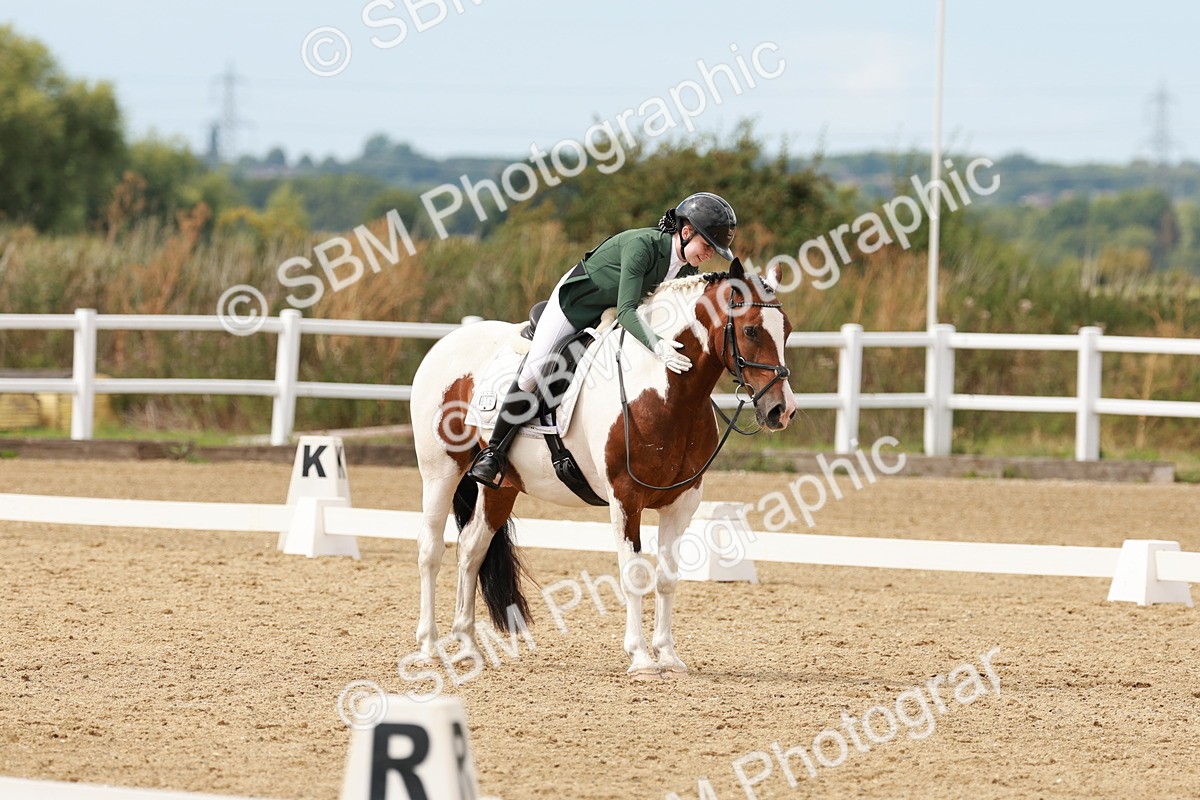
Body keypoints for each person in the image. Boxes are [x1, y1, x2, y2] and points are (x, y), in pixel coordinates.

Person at [468, 191, 738, 489]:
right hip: (578, 305)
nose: (709, 254)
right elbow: (626, 311)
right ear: (686, 232)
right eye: (707, 245)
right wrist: (658, 345)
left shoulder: (688, 267)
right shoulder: (642, 246)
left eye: (714, 250)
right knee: (536, 370)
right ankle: (493, 452)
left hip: (611, 309)